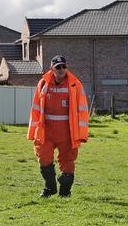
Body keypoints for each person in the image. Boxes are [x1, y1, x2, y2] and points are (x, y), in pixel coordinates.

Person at [28, 55, 89, 198]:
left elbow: (82, 110)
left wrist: (81, 134)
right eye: (58, 67)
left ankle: (65, 192)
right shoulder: (43, 84)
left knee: (68, 161)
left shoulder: (75, 85)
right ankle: (50, 188)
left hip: (67, 132)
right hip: (46, 130)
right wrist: (33, 130)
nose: (61, 69)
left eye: (64, 66)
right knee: (43, 158)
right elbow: (36, 108)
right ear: (52, 69)